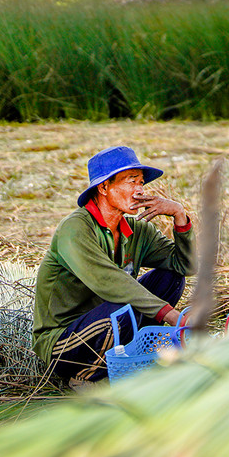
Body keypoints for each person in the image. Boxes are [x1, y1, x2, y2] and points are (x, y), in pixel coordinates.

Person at [33, 146, 194, 385]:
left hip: (111, 320)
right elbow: (107, 281)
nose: (139, 190)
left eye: (141, 182)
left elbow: (185, 265)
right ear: (104, 187)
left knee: (171, 276)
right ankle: (86, 377)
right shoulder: (75, 229)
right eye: (131, 181)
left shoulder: (137, 230)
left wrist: (180, 216)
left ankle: (134, 353)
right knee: (121, 306)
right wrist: (171, 315)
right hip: (64, 342)